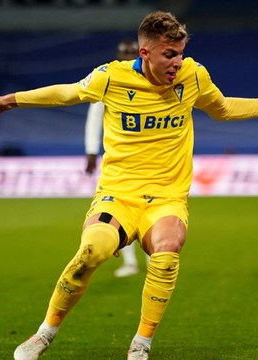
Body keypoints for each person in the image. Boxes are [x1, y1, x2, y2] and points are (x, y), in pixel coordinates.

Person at [0, 11, 258, 360]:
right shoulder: (111, 77)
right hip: (117, 195)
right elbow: (67, 93)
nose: (177, 62)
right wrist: (10, 100)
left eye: (179, 53)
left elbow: (222, 108)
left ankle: (140, 345)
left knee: (168, 247)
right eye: (169, 55)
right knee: (92, 252)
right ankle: (44, 334)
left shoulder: (193, 75)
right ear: (144, 54)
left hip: (166, 197)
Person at [84, 38, 149, 278]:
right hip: (120, 162)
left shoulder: (155, 78)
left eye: (133, 51)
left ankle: (155, 260)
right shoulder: (110, 79)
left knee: (151, 210)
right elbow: (94, 117)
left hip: (152, 161)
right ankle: (130, 262)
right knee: (122, 211)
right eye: (125, 52)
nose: (129, 55)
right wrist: (91, 151)